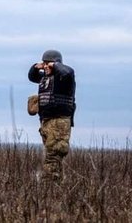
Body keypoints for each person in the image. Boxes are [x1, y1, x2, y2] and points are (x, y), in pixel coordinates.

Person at [28, 49, 76, 182]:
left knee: (53, 155)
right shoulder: (45, 78)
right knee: (51, 154)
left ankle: (49, 185)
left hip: (59, 122)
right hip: (46, 121)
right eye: (44, 64)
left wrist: (55, 65)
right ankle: (56, 185)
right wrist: (36, 67)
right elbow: (32, 76)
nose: (46, 67)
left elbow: (68, 72)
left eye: (48, 64)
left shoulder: (64, 79)